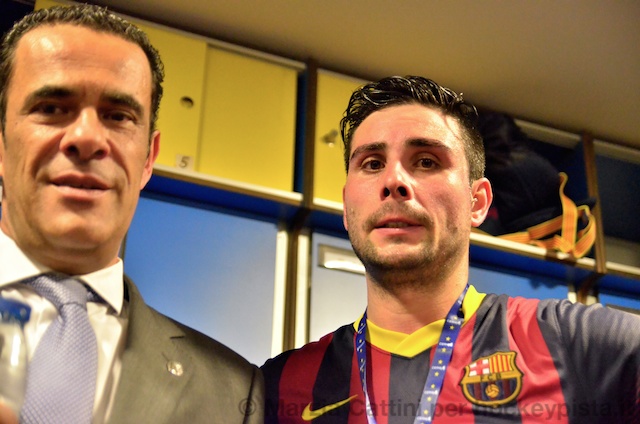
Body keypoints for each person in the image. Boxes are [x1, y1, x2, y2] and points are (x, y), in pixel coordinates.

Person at [262, 76, 640, 423]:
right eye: (373, 163)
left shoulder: (577, 344)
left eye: (426, 161)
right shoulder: (277, 388)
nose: (393, 180)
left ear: (477, 203)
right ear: (347, 208)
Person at [0, 4, 263, 423]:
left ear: (148, 160)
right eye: (51, 108)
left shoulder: (236, 392)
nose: (88, 137)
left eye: (118, 116)